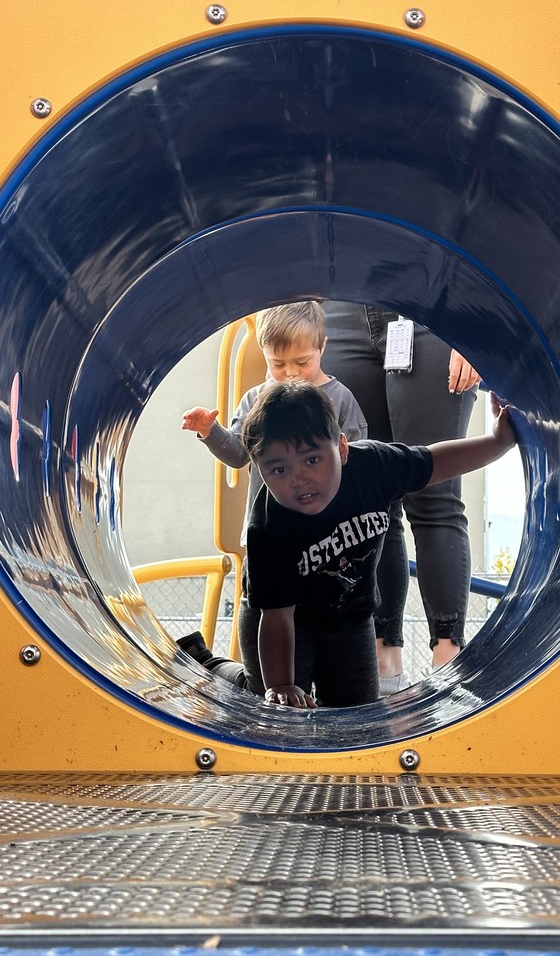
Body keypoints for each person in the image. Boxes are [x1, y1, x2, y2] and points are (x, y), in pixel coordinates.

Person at [241, 379, 516, 708]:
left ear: (342, 449)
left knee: (355, 710)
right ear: (258, 469)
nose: (298, 479)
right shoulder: (268, 525)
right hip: (286, 620)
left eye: (312, 460)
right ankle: (226, 672)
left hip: (351, 616)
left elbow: (435, 461)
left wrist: (499, 442)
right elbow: (276, 618)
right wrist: (281, 684)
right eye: (279, 469)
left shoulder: (374, 466)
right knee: (278, 704)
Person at [180, 301, 367, 691]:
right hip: (271, 540)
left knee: (318, 648)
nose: (290, 374)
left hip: (326, 541)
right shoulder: (256, 399)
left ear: (322, 347)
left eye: (301, 362)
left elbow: (359, 459)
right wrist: (210, 432)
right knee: (264, 678)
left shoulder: (340, 398)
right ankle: (207, 663)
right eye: (277, 364)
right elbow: (238, 453)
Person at [321, 302, 480, 691]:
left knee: (433, 492)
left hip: (432, 310)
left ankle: (448, 657)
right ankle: (381, 655)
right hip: (342, 311)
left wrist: (474, 327)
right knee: (370, 498)